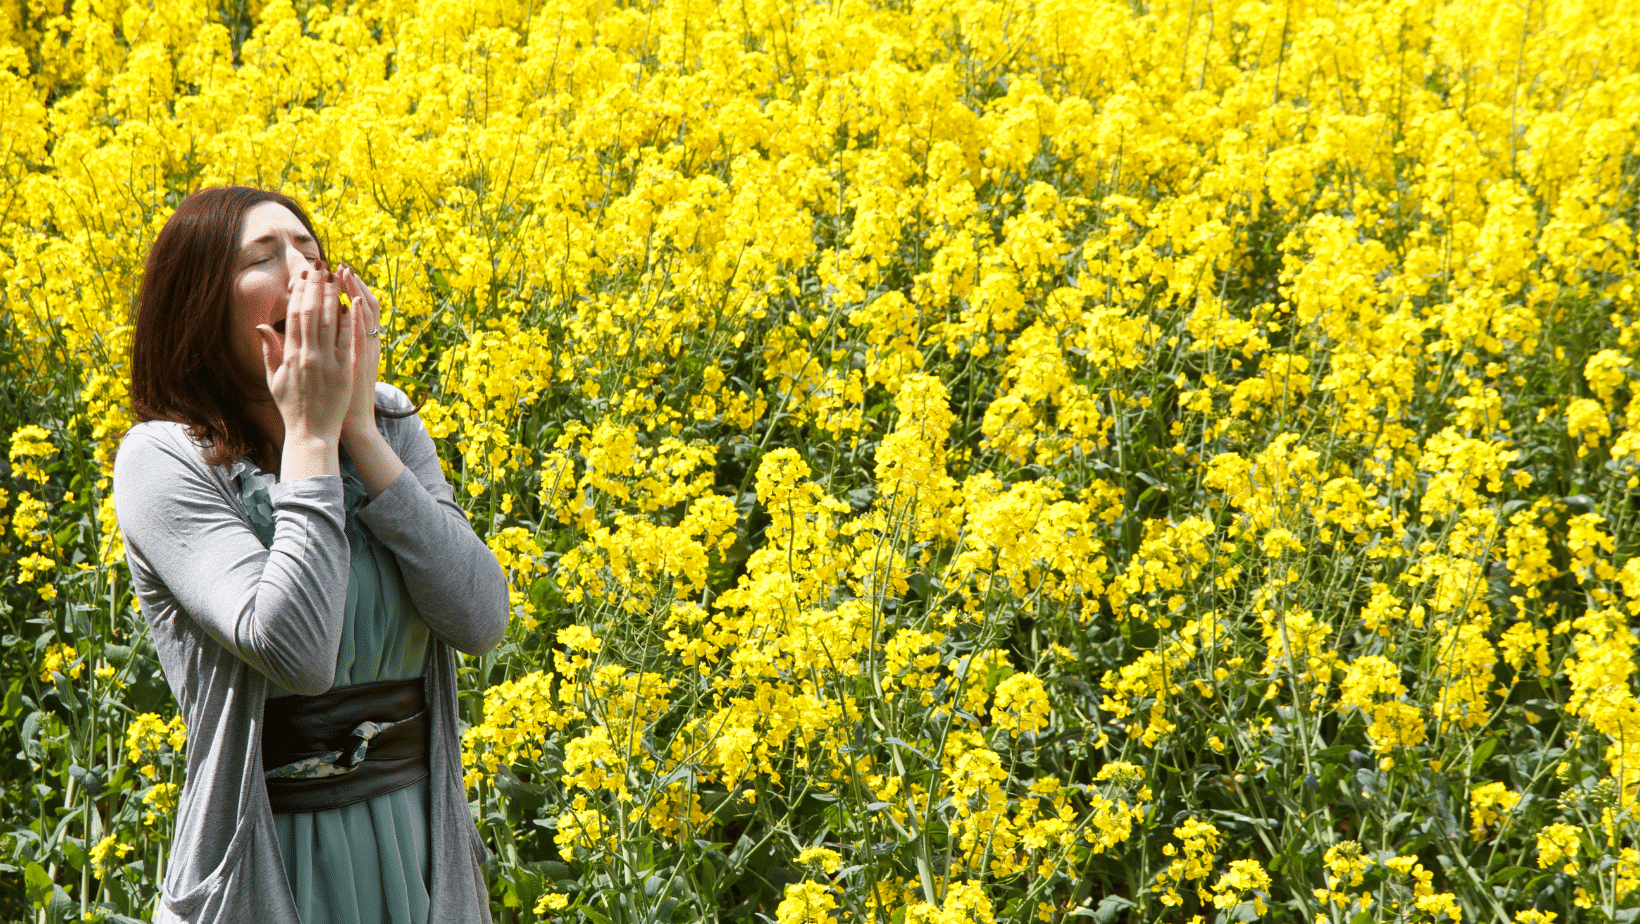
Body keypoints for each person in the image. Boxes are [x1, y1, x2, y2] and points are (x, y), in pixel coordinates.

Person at [114, 186, 509, 924]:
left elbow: (482, 619)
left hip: (416, 849)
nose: (302, 271)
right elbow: (297, 652)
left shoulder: (388, 423)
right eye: (262, 258)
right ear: (199, 304)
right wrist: (314, 438)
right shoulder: (163, 461)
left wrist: (358, 429)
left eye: (311, 252)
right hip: (272, 866)